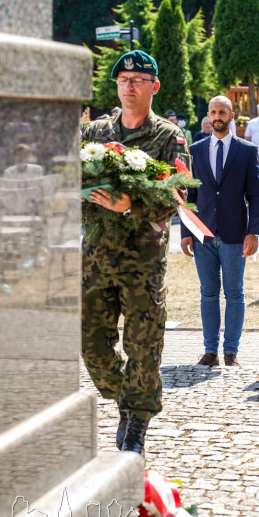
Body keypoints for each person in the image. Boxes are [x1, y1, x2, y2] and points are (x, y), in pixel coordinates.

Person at [81, 50, 190, 457]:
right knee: (90, 344)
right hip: (94, 256)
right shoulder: (94, 133)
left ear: (154, 86)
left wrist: (129, 205)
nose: (129, 85)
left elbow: (178, 191)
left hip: (142, 261)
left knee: (144, 344)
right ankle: (125, 393)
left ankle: (136, 424)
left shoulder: (168, 137)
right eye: (123, 78)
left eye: (138, 80)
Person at [180, 95, 259, 368]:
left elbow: (255, 196)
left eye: (222, 112)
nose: (217, 116)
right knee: (208, 293)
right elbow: (188, 195)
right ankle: (209, 352)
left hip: (235, 235)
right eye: (213, 112)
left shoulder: (247, 151)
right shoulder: (196, 150)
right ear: (208, 115)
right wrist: (185, 232)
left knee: (235, 293)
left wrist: (254, 232)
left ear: (231, 116)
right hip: (202, 234)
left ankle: (231, 352)